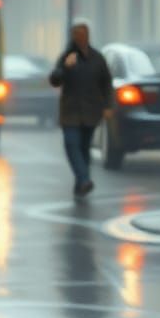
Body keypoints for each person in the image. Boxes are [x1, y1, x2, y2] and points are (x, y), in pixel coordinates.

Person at [48, 19, 113, 197]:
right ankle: (84, 179)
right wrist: (65, 68)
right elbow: (54, 80)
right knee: (71, 145)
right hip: (70, 112)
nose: (80, 38)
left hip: (91, 111)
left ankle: (81, 184)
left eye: (82, 35)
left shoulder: (97, 58)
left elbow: (106, 83)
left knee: (84, 148)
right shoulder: (67, 57)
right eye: (76, 35)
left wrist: (108, 106)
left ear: (87, 36)